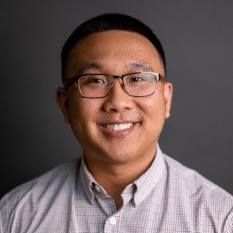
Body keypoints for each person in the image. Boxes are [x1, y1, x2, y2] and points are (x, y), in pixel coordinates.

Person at [0, 13, 232, 233]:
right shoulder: (15, 215)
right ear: (66, 104)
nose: (118, 102)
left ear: (166, 99)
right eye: (95, 81)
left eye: (138, 78)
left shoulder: (221, 218)